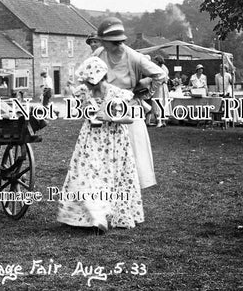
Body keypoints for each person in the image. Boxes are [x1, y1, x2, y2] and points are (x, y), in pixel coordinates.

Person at [57, 57, 144, 233]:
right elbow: (79, 111)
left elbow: (130, 118)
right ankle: (83, 216)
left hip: (113, 141)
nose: (86, 85)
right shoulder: (84, 92)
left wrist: (111, 117)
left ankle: (105, 215)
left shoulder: (116, 94)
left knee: (110, 177)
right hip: (90, 139)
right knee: (86, 173)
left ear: (96, 80)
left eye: (88, 81)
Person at [93, 17, 166, 189]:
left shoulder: (135, 57)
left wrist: (143, 89)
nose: (102, 44)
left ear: (116, 42)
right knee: (104, 160)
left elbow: (160, 75)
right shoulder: (99, 54)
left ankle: (129, 191)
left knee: (131, 156)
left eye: (105, 41)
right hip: (105, 113)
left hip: (129, 112)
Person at [152, 55, 171, 128]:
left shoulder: (163, 68)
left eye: (155, 61)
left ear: (158, 61)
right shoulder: (159, 68)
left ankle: (161, 121)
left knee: (160, 103)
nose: (154, 62)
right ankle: (161, 121)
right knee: (160, 103)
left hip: (161, 87)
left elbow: (162, 79)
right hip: (159, 87)